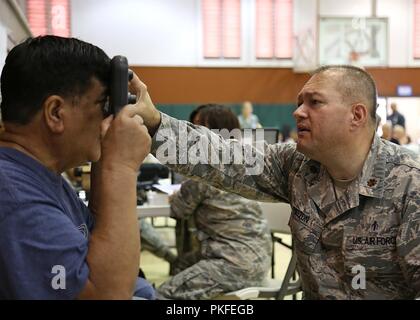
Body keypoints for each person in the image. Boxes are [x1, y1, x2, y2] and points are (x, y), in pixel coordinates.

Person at [133, 65, 420, 300]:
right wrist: (156, 123)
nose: (298, 112)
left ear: (356, 115)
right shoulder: (296, 165)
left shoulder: (409, 184)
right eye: (299, 103)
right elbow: (222, 156)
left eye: (314, 102)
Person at [0, 36, 154, 299]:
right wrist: (122, 168)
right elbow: (107, 294)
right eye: (102, 105)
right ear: (56, 113)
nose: (109, 118)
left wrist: (107, 161)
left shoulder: (38, 175)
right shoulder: (16, 198)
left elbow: (101, 248)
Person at [156, 104, 271, 300]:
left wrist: (176, 197)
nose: (191, 133)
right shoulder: (243, 162)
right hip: (257, 259)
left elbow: (179, 209)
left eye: (198, 127)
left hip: (230, 263)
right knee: (181, 265)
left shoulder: (205, 171)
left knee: (160, 295)